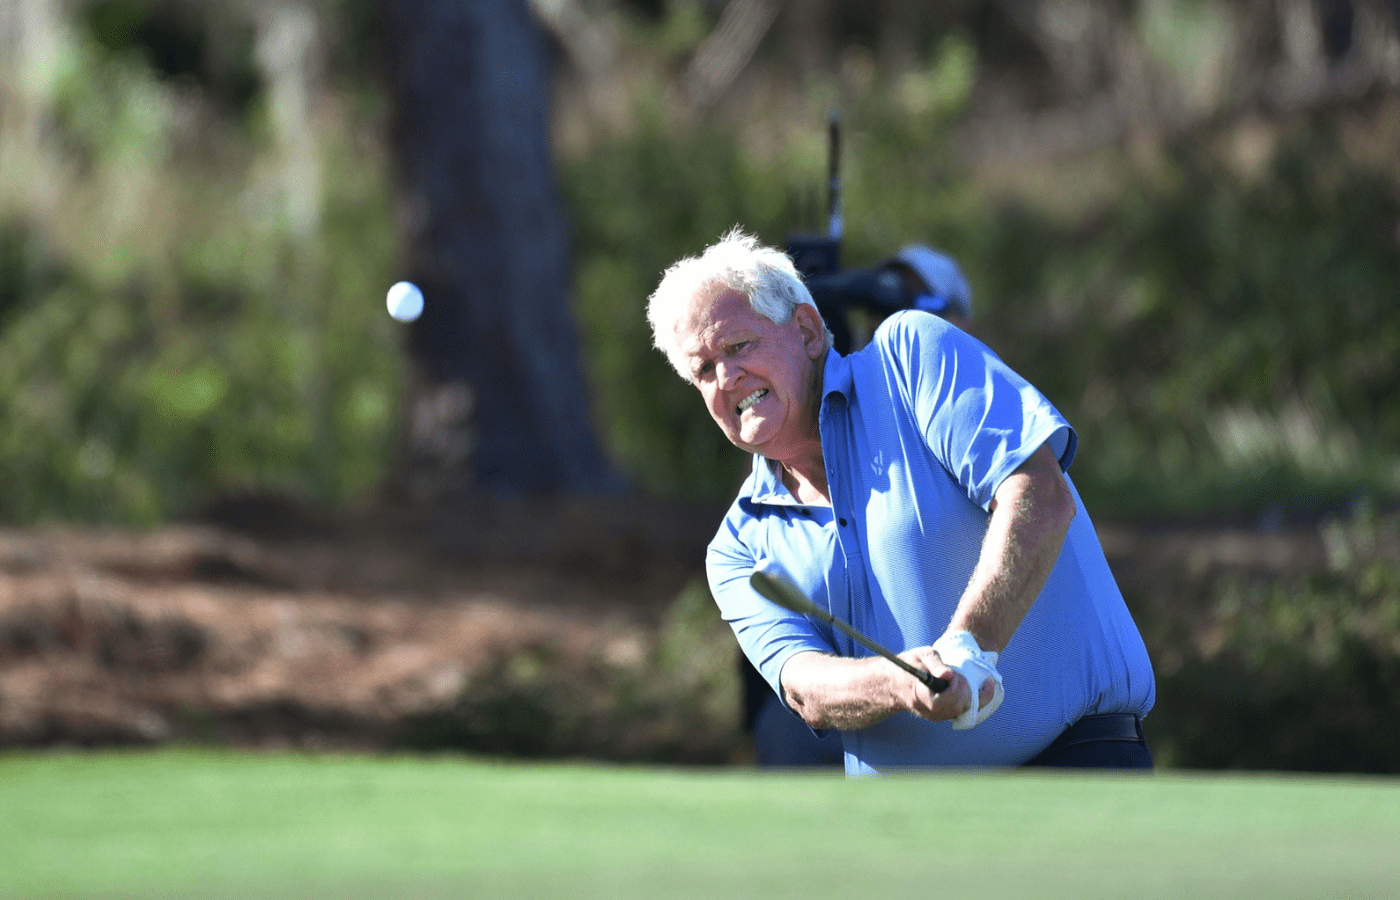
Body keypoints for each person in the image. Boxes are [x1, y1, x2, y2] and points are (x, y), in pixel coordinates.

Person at [646, 228, 1155, 773]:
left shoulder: (910, 359)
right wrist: (900, 682)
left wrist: (969, 648)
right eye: (703, 369)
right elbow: (805, 686)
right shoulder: (736, 550)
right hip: (912, 833)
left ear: (808, 330)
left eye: (739, 346)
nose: (725, 377)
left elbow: (1040, 495)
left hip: (1076, 771)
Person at [741, 242, 977, 767]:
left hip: (960, 685)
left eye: (916, 300)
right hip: (839, 698)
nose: (896, 316)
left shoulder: (952, 385)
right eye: (884, 302)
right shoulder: (838, 390)